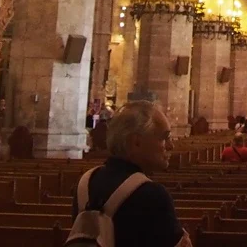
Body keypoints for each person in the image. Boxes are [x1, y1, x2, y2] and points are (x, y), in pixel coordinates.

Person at [71, 101, 189, 247]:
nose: (171, 146)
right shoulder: (152, 194)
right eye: (164, 138)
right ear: (136, 142)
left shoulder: (86, 182)